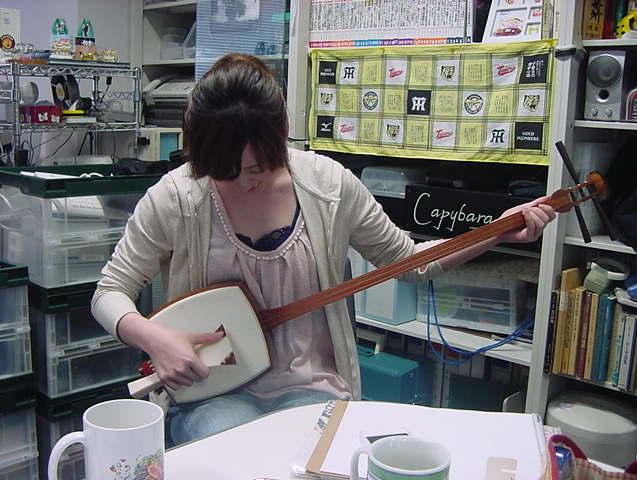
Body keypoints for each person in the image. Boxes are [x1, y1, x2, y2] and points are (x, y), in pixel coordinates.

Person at [91, 53, 556, 447]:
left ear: (284, 130)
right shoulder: (177, 197)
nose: (243, 182)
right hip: (214, 393)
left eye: (256, 168)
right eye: (224, 171)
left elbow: (408, 264)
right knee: (235, 449)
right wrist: (154, 338)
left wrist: (494, 233)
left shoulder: (329, 186)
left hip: (312, 386)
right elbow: (110, 291)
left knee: (305, 454)